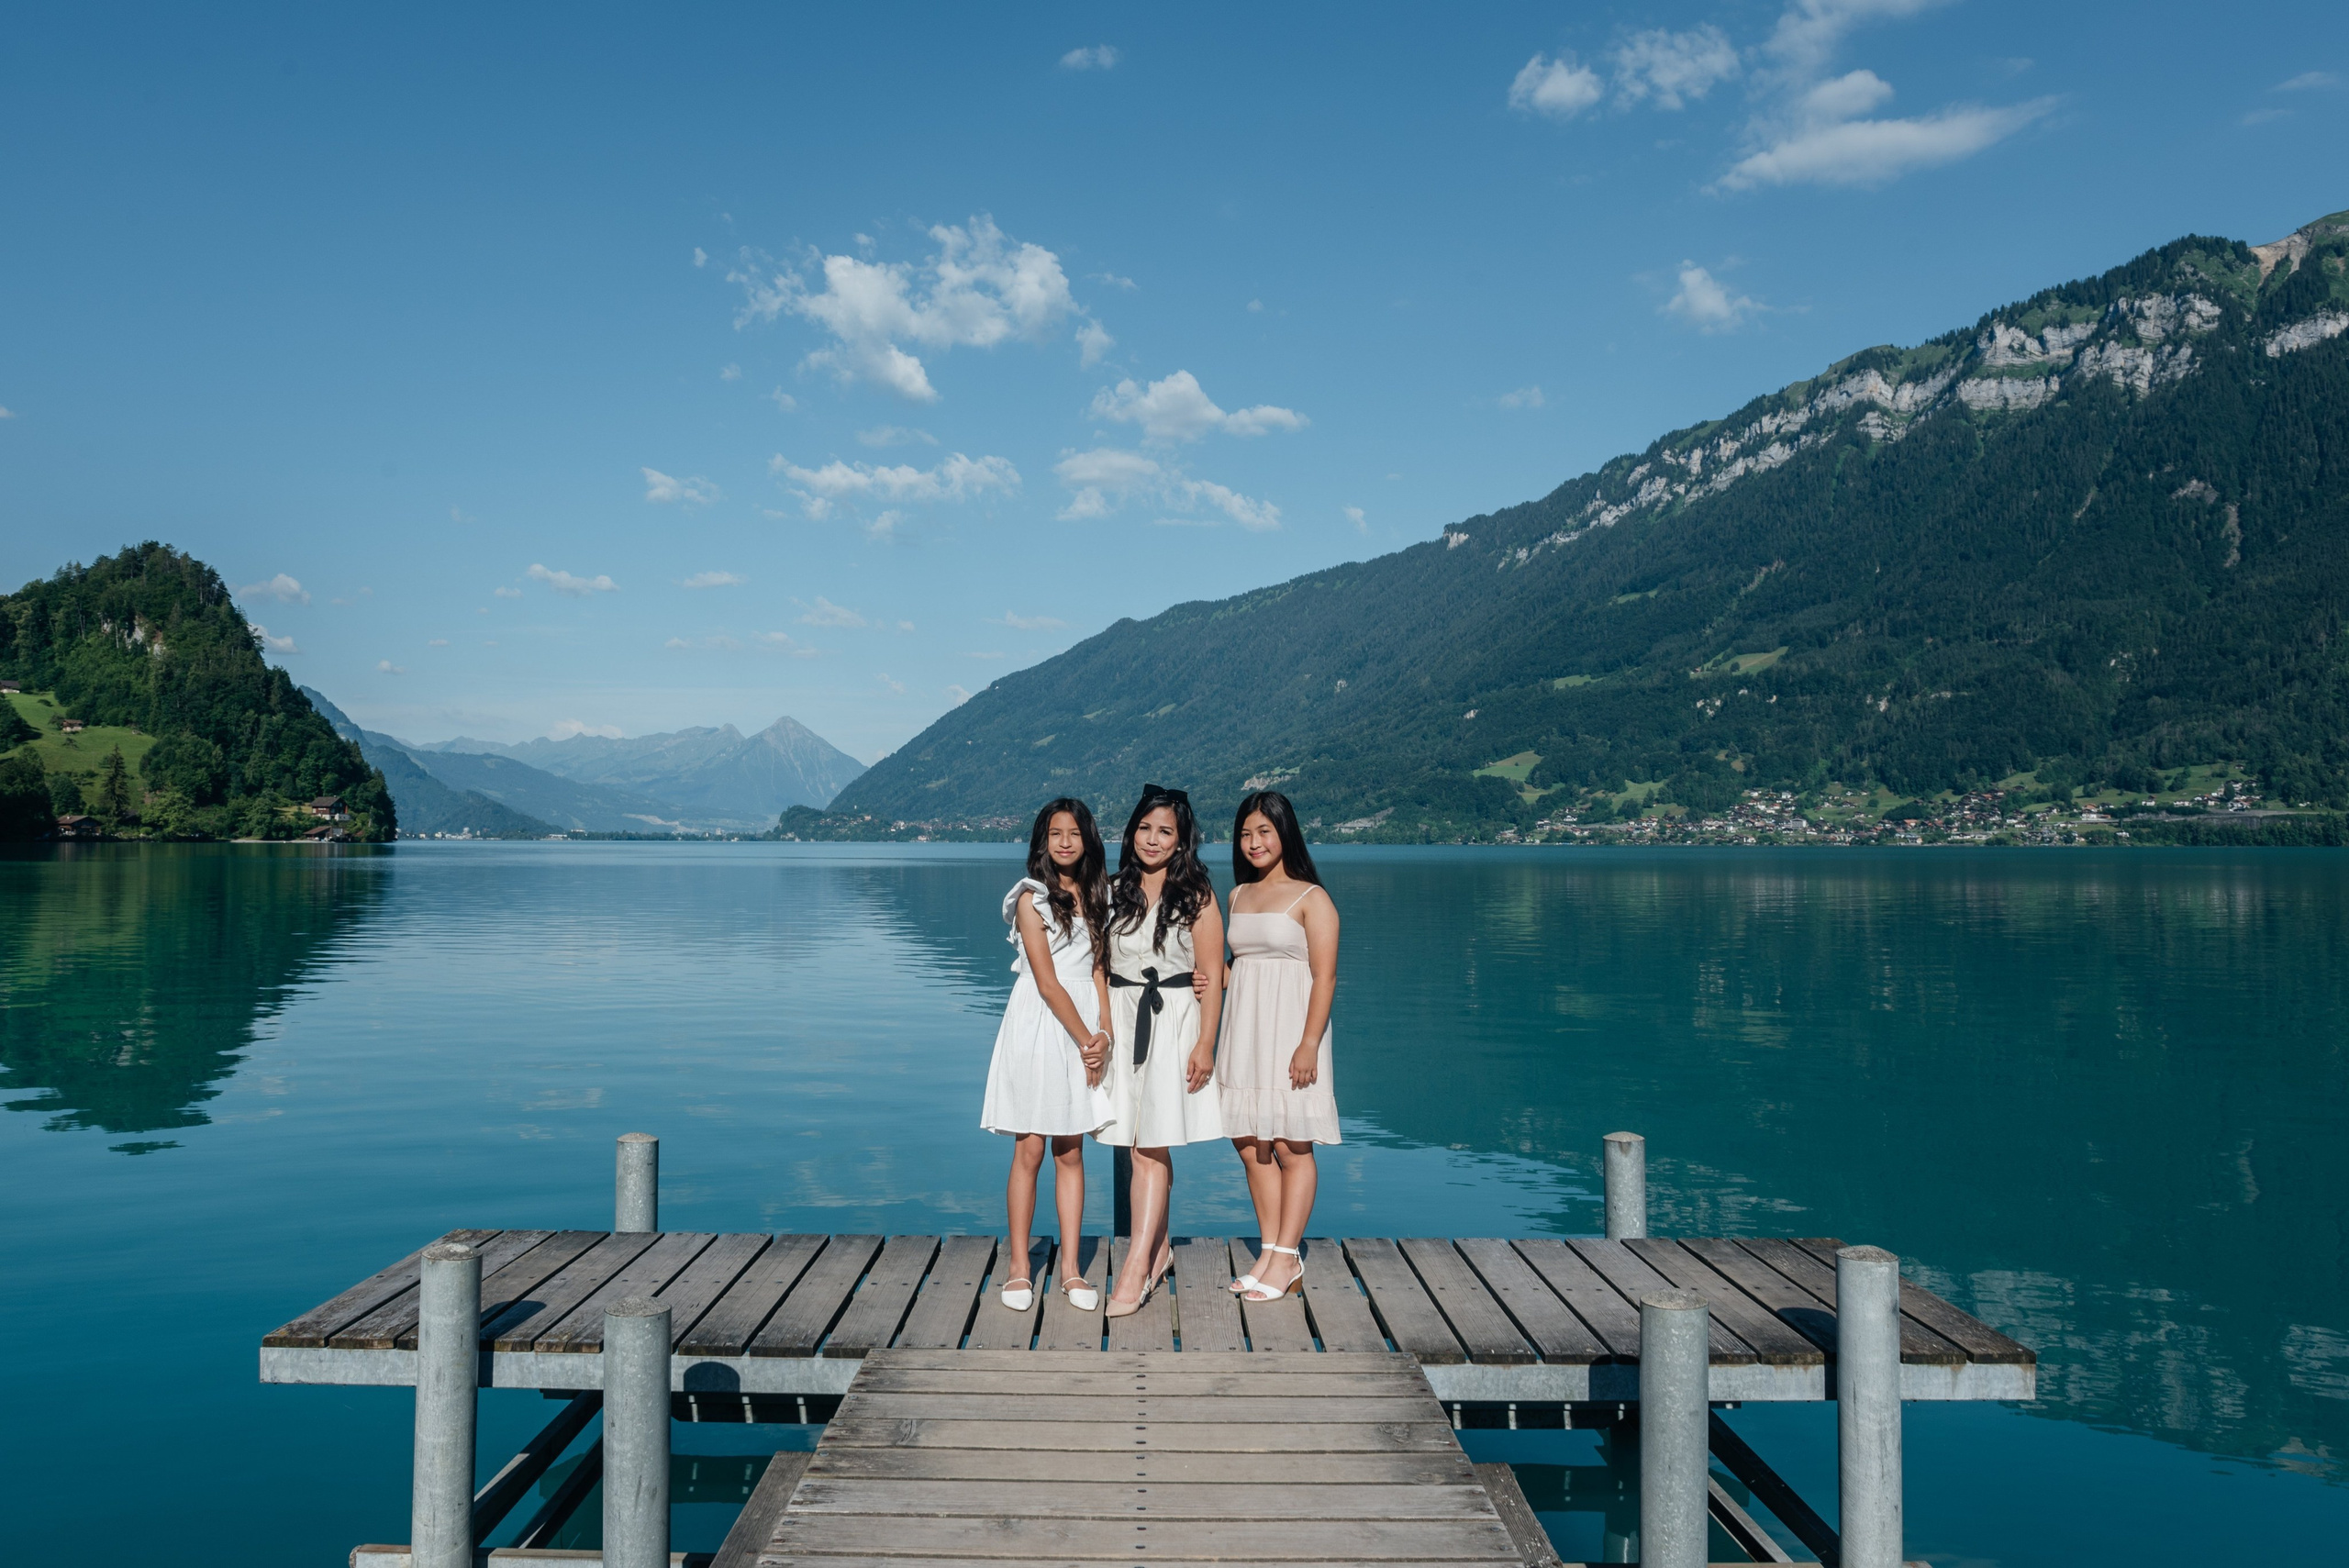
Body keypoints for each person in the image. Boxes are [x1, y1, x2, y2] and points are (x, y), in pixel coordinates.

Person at [979, 798, 1113, 1313]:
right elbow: (1047, 981)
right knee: (1030, 1149)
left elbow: (1099, 971)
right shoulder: (1032, 900)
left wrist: (1105, 1034)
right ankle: (1019, 1266)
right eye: (1055, 833)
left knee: (1071, 1151)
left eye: (1074, 833)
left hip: (1083, 1028)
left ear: (1087, 841)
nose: (1064, 842)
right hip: (1041, 1024)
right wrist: (1085, 1040)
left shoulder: (1097, 897)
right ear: (1042, 841)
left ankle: (1072, 1270)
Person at [1097, 784, 1225, 1318]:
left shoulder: (1197, 894)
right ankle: (1161, 1250)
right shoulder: (1110, 890)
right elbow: (1100, 969)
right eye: (1145, 829)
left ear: (1181, 840)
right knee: (1137, 1143)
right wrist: (1103, 1034)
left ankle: (1135, 1266)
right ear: (1131, 833)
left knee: (1151, 1146)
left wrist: (1206, 1045)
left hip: (1172, 1022)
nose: (1153, 839)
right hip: (1123, 1024)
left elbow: (1214, 975)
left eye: (1165, 831)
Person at [1216, 789, 1341, 1303]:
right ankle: (1269, 1249)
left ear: (1285, 832)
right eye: (1245, 833)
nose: (1253, 842)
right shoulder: (1237, 896)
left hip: (1292, 1031)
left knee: (1291, 1144)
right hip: (1243, 1030)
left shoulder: (1312, 898)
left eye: (1264, 831)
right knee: (1248, 1141)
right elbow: (1238, 965)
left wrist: (1309, 1043)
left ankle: (1288, 1257)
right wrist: (1212, 978)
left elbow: (1326, 977)